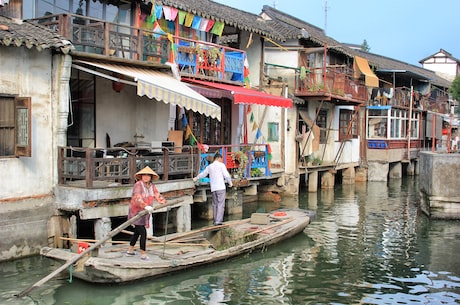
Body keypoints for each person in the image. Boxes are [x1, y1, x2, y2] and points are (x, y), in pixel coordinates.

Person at [127, 166, 166, 260]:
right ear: (141, 176)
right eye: (144, 175)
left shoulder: (152, 186)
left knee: (137, 232)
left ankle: (130, 250)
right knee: (143, 233)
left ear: (150, 177)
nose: (145, 177)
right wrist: (145, 205)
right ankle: (143, 253)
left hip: (145, 212)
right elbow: (137, 197)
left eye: (148, 175)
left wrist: (164, 203)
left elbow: (157, 195)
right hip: (136, 212)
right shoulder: (138, 185)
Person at [193, 152, 232, 225]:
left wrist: (196, 178)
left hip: (213, 188)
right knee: (220, 204)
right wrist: (230, 183)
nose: (221, 160)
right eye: (221, 159)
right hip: (220, 187)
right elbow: (226, 175)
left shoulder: (209, 166)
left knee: (215, 204)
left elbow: (203, 174)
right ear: (218, 158)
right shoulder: (221, 165)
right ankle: (218, 221)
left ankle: (215, 220)